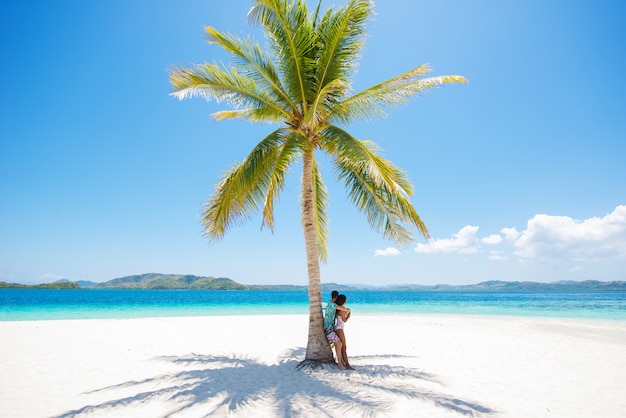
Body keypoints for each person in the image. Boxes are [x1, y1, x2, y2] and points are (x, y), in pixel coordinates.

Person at [323, 290, 350, 369]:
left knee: (338, 344)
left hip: (330, 328)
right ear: (336, 297)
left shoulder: (330, 304)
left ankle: (341, 362)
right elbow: (344, 309)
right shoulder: (332, 305)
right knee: (339, 344)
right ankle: (340, 364)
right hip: (328, 329)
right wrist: (348, 311)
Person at [334, 294, 353, 370]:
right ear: (343, 301)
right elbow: (344, 320)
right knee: (344, 347)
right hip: (339, 329)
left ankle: (343, 362)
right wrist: (348, 316)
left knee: (342, 346)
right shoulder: (341, 310)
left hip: (338, 328)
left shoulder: (338, 309)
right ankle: (347, 365)